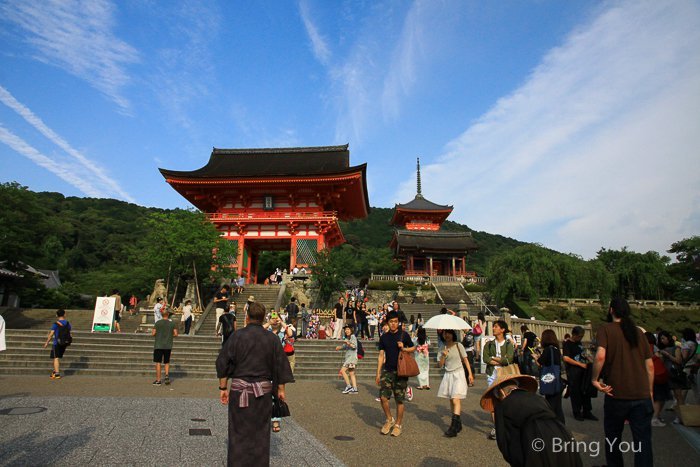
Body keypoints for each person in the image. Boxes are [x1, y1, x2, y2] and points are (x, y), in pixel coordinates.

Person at [216, 302, 294, 467]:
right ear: (264, 317)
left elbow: (223, 363)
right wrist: (281, 390)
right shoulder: (272, 339)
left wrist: (223, 388)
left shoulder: (237, 336)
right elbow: (281, 365)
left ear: (247, 316)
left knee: (238, 432)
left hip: (239, 390)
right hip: (262, 393)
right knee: (260, 433)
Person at [591, 298, 654, 467]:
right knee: (643, 442)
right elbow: (650, 366)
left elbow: (600, 356)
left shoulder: (605, 329)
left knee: (613, 438)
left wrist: (594, 379)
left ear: (611, 310)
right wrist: (650, 391)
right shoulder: (638, 332)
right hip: (641, 394)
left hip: (616, 393)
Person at [480, 371, 583, 467]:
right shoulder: (538, 398)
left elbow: (505, 443)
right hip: (562, 434)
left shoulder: (503, 405)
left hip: (534, 440)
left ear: (501, 393)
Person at [376, 311, 416, 437]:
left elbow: (413, 348)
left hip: (401, 371)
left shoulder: (403, 335)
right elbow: (381, 355)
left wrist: (404, 348)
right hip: (387, 370)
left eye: (395, 322)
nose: (393, 324)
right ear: (387, 322)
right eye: (391, 321)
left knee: (399, 400)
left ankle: (398, 424)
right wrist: (378, 373)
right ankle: (389, 419)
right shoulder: (384, 337)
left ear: (398, 322)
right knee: (383, 398)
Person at [438, 329, 474, 437]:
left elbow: (466, 360)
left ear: (452, 334)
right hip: (448, 374)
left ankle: (453, 427)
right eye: (445, 333)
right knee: (451, 400)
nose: (447, 335)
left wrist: (470, 374)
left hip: (459, 373)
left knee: (455, 399)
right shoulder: (442, 347)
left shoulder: (459, 345)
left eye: (448, 333)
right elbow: (440, 365)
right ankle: (458, 424)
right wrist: (443, 355)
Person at [483, 320, 515, 440]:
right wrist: (500, 359)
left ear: (502, 330)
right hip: (492, 374)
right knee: (493, 400)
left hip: (504, 375)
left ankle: (506, 425)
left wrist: (495, 359)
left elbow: (509, 360)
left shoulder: (508, 344)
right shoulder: (489, 344)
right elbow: (485, 358)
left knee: (505, 399)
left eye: (496, 326)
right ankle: (496, 427)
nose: (494, 328)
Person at [563, 326, 597, 422]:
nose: (580, 338)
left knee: (586, 390)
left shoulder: (579, 343)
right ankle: (577, 412)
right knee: (576, 392)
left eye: (582, 336)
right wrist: (580, 364)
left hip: (584, 370)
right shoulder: (567, 344)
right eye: (579, 336)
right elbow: (566, 358)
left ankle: (587, 411)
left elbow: (583, 354)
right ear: (573, 334)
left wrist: (589, 359)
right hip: (574, 371)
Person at [537, 329, 565, 424]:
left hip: (550, 381)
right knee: (558, 407)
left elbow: (541, 362)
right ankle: (561, 426)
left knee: (551, 406)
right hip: (558, 380)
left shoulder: (548, 350)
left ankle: (553, 427)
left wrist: (536, 357)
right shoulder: (556, 350)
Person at [646, 332, 672, 427]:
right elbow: (659, 360)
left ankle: (654, 416)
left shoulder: (642, 347)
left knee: (654, 397)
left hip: (649, 375)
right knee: (659, 398)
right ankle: (654, 418)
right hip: (658, 375)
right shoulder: (654, 348)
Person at [151, 309, 178, 385]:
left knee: (158, 362)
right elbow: (176, 334)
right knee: (166, 362)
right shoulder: (172, 323)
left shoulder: (158, 323)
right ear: (168, 315)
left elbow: (153, 333)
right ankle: (166, 375)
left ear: (162, 315)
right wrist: (170, 335)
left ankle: (158, 380)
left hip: (158, 345)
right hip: (168, 345)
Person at [43, 309, 71, 379]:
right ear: (64, 314)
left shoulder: (55, 324)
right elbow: (69, 333)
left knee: (56, 357)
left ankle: (57, 374)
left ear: (56, 315)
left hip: (57, 343)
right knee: (57, 357)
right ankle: (54, 371)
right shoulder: (68, 323)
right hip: (64, 343)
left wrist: (47, 342)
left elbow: (51, 334)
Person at [336, 325, 359, 394]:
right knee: (351, 373)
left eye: (348, 329)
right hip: (351, 358)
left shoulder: (352, 337)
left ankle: (349, 386)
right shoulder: (348, 337)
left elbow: (354, 346)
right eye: (346, 330)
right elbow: (345, 347)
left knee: (343, 371)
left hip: (351, 358)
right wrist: (339, 347)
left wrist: (348, 343)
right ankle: (355, 389)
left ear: (351, 330)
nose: (346, 331)